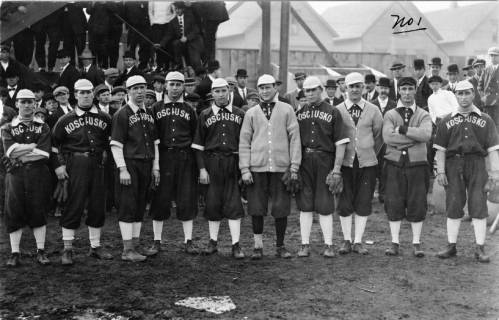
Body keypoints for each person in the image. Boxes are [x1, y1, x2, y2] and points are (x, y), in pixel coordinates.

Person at [434, 80, 499, 263]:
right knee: (453, 203)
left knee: (478, 205)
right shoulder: (446, 120)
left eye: (467, 93)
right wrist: (440, 171)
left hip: (477, 163)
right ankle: (451, 246)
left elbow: (493, 149)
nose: (463, 97)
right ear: (455, 95)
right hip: (453, 164)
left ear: (473, 94)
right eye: (460, 93)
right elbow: (440, 150)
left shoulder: (486, 119)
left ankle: (480, 248)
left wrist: (495, 173)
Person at [52, 79, 113, 265]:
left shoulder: (104, 117)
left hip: (98, 164)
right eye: (81, 92)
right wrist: (59, 166)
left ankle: (95, 247)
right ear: (75, 94)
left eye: (88, 92)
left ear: (93, 94)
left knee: (97, 204)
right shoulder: (65, 119)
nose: (85, 95)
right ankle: (68, 248)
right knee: (73, 204)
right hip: (75, 163)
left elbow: (111, 142)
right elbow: (54, 146)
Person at [239, 74, 301, 259]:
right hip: (257, 168)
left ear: (276, 88)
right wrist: (244, 169)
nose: (265, 91)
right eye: (261, 88)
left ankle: (280, 246)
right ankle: (258, 246)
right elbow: (244, 142)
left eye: (268, 87)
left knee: (281, 208)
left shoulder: (287, 109)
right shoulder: (251, 113)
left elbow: (295, 139)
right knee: (256, 208)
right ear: (258, 90)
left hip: (281, 169)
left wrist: (294, 167)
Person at [295, 76, 348, 258]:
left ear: (321, 90)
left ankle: (329, 245)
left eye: (313, 90)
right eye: (307, 91)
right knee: (305, 204)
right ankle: (304, 244)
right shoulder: (300, 112)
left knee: (325, 205)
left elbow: (341, 143)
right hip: (305, 160)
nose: (310, 93)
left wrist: (336, 169)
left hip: (325, 158)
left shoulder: (333, 112)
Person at [191, 78, 245, 257]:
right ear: (212, 94)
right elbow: (198, 146)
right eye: (217, 91)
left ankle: (236, 244)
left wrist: (243, 168)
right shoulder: (205, 114)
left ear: (229, 91)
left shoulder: (239, 113)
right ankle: (213, 241)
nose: (221, 95)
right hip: (211, 162)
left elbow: (245, 144)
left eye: (224, 91)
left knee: (233, 203)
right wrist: (202, 169)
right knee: (212, 203)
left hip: (233, 161)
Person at [110, 75, 160, 262]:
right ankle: (127, 249)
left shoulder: (148, 112)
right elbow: (116, 144)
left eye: (142, 88)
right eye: (135, 88)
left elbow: (155, 142)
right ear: (128, 91)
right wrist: (122, 169)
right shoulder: (121, 114)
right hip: (130, 163)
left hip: (146, 164)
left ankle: (136, 245)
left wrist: (156, 167)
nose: (139, 92)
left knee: (140, 205)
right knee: (127, 205)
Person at [148, 71, 198, 255]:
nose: (175, 88)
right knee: (160, 199)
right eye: (172, 84)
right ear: (165, 86)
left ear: (183, 86)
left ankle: (188, 241)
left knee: (186, 199)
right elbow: (153, 137)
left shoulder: (189, 109)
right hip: (164, 156)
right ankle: (156, 241)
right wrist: (155, 164)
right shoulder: (155, 107)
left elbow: (195, 136)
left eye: (179, 84)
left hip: (185, 157)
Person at [382, 77, 432, 257]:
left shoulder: (423, 114)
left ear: (415, 90)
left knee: (417, 202)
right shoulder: (390, 114)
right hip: (394, 164)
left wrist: (402, 130)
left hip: (417, 165)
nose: (407, 93)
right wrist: (413, 138)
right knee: (394, 201)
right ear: (399, 91)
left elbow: (426, 135)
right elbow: (388, 137)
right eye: (404, 89)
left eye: (411, 89)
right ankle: (395, 242)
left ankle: (416, 243)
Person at [3, 89, 52, 267]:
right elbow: (10, 152)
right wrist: (31, 146)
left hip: (37, 173)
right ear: (16, 104)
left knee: (37, 209)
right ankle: (15, 253)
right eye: (22, 102)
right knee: (13, 210)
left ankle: (41, 251)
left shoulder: (43, 126)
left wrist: (22, 153)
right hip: (15, 174)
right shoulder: (8, 127)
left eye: (30, 102)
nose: (26, 105)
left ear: (35, 104)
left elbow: (44, 153)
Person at [335, 72, 383, 255]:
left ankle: (358, 241)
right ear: (345, 88)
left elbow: (379, 137)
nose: (355, 90)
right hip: (346, 163)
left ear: (363, 88)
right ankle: (346, 240)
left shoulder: (373, 110)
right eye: (351, 86)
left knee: (364, 200)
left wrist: (368, 151)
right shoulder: (338, 109)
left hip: (367, 163)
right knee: (345, 202)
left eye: (358, 86)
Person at [371, 77, 396, 203]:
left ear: (389, 90)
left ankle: (383, 194)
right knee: (371, 168)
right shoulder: (370, 104)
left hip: (388, 142)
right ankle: (369, 194)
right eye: (381, 88)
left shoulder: (394, 105)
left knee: (385, 169)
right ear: (377, 88)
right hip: (374, 142)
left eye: (385, 88)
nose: (383, 91)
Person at [159, 1, 204, 71]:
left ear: (183, 9)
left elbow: (196, 30)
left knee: (195, 59)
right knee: (175, 43)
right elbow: (168, 35)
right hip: (182, 43)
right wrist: (161, 44)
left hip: (192, 41)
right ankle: (179, 64)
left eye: (178, 9)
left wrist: (187, 38)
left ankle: (198, 71)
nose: (177, 11)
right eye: (175, 9)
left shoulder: (190, 17)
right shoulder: (172, 22)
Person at [124, 1, 152, 70]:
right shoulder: (128, 3)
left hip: (144, 28)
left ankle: (143, 66)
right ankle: (130, 67)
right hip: (132, 28)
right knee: (131, 47)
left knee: (144, 46)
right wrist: (128, 26)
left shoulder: (146, 2)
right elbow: (125, 15)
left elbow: (149, 13)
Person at [149, 1, 175, 72]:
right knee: (158, 46)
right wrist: (153, 22)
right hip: (156, 24)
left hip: (167, 24)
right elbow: (150, 11)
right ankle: (159, 65)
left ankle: (167, 65)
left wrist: (170, 20)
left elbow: (174, 11)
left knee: (167, 45)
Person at [478, 47, 499, 128]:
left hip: (498, 102)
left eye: (495, 56)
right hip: (488, 102)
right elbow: (480, 86)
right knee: (488, 123)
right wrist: (483, 97)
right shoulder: (486, 69)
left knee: (497, 125)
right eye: (491, 56)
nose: (493, 58)